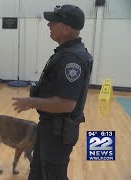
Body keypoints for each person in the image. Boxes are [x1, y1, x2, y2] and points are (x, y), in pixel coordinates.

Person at [12, 5, 93, 180]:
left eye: (54, 22)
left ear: (67, 28)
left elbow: (67, 104)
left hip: (58, 133)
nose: (49, 25)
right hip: (50, 128)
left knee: (53, 175)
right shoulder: (65, 53)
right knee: (38, 172)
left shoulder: (72, 59)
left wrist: (31, 102)